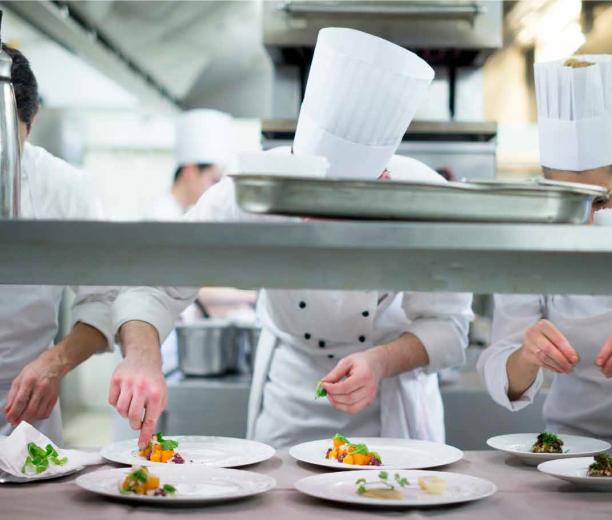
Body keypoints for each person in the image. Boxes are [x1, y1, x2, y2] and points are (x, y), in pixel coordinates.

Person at [109, 28, 473, 449]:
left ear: (383, 181)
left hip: (389, 399)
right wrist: (143, 357)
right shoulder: (252, 190)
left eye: (340, 209)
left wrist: (381, 362)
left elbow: (448, 327)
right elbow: (153, 279)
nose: (317, 222)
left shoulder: (423, 198)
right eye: (308, 199)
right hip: (291, 392)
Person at [478, 55, 612, 443]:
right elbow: (501, 369)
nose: (587, 222)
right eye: (568, 202)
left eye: (601, 202)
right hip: (571, 448)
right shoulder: (531, 238)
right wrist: (527, 356)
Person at [0, 45, 115, 443]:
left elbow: (105, 298)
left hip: (25, 405)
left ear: (30, 122)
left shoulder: (64, 187)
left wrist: (54, 363)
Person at [144, 109, 232, 221]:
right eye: (214, 180)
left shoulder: (187, 212)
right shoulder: (160, 214)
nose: (216, 190)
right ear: (190, 172)